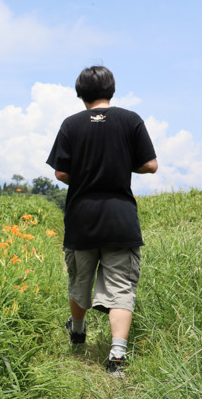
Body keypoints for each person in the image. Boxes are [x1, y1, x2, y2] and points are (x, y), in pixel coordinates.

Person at [46, 66, 158, 377]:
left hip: (82, 216)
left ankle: (78, 332)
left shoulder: (71, 124)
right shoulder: (131, 120)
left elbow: (60, 172)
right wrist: (120, 163)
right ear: (112, 89)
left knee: (79, 281)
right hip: (120, 218)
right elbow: (151, 165)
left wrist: (86, 170)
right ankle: (117, 356)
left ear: (79, 93)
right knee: (121, 288)